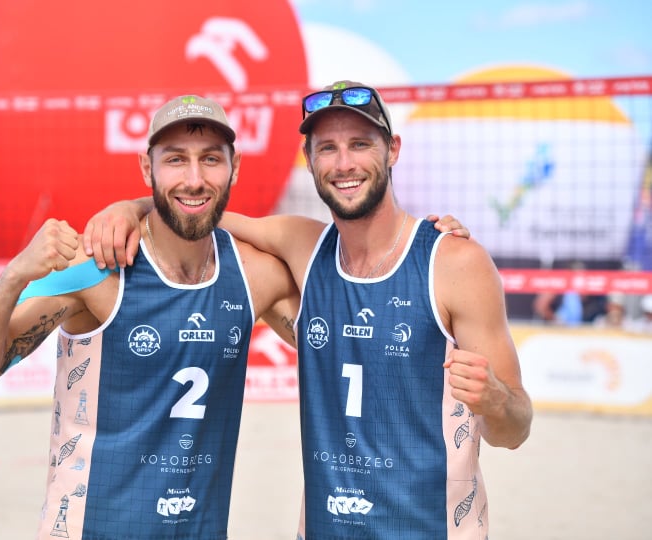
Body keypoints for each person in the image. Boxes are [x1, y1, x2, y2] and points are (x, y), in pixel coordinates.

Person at [84, 81, 532, 539]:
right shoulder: (304, 246)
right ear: (310, 158)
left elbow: (514, 430)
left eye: (360, 144)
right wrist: (129, 208)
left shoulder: (454, 262)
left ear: (393, 150)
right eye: (328, 148)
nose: (344, 163)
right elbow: (198, 209)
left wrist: (495, 400)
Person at [0, 95, 302, 539]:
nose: (194, 179)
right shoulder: (93, 268)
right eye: (175, 159)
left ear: (235, 167)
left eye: (211, 159)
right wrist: (15, 274)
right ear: (147, 168)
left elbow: (342, 350)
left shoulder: (255, 275)